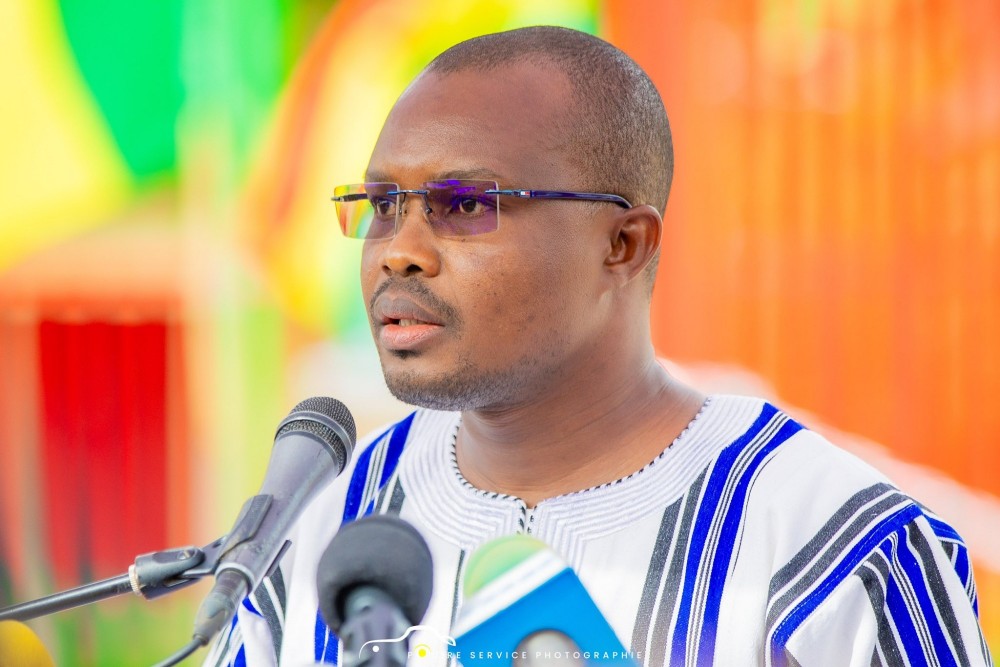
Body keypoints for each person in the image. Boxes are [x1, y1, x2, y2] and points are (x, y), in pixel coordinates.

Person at [205, 26, 992, 667]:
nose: (398, 251)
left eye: (466, 204)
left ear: (623, 244)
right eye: (382, 204)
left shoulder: (834, 544)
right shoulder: (325, 533)